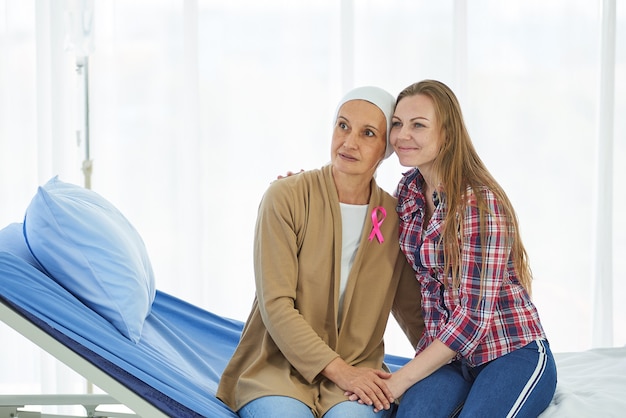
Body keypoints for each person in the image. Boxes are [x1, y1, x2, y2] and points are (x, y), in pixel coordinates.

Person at [352, 79, 557, 417]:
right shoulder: (409, 191)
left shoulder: (478, 203)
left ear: (446, 134)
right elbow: (363, 218)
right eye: (398, 124)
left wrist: (398, 381)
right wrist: (305, 189)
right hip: (450, 359)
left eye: (418, 125)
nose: (403, 135)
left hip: (509, 350)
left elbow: (472, 320)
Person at [216, 86, 424, 418]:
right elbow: (276, 305)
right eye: (343, 125)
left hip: (357, 373)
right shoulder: (285, 197)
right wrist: (341, 371)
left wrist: (453, 364)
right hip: (277, 369)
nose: (349, 142)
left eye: (367, 133)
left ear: (386, 148)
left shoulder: (395, 217)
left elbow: (412, 310)